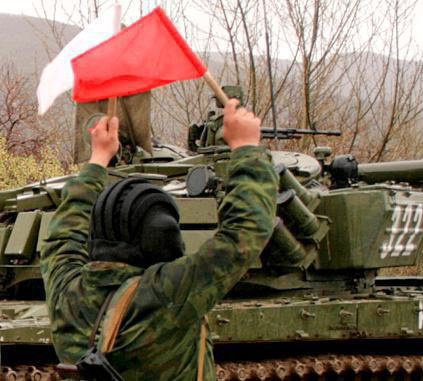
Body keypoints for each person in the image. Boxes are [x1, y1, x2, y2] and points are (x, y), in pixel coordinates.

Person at [40, 99, 278, 380]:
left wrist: (97, 160)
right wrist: (247, 148)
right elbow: (243, 234)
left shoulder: (66, 292)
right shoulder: (167, 294)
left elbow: (62, 235)